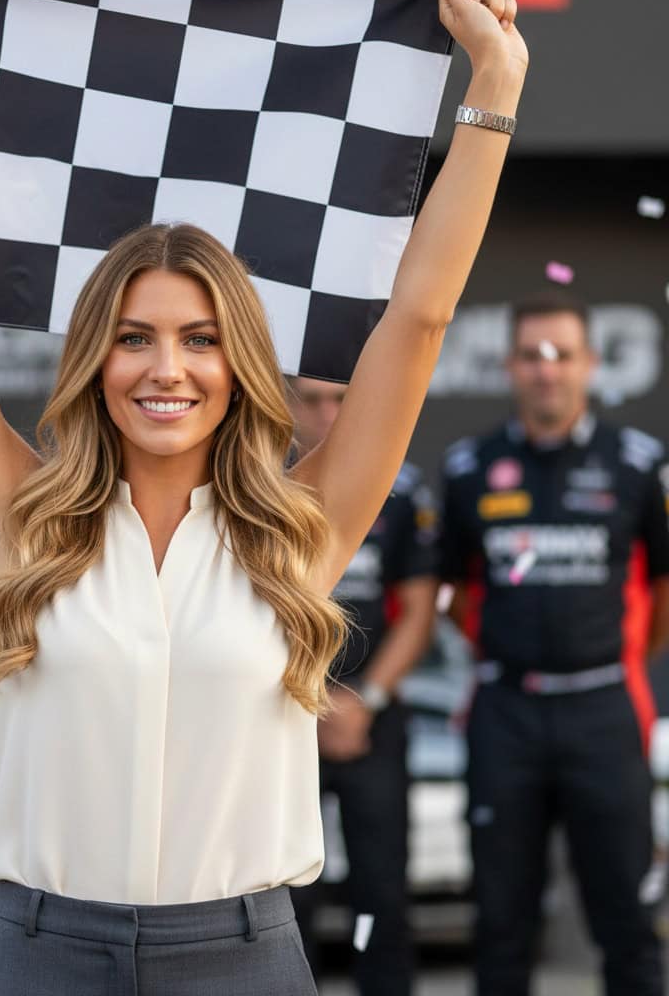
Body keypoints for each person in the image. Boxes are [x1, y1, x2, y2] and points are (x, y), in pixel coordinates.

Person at [0, 0, 526, 990]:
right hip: (33, 953)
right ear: (93, 360)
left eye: (199, 339)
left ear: (238, 363)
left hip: (245, 959)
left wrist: (493, 83)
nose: (166, 368)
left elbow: (415, 319)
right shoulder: (24, 524)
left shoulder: (300, 535)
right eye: (133, 338)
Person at [440, 291, 669, 996]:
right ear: (509, 365)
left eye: (561, 355)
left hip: (605, 709)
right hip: (505, 712)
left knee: (627, 923)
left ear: (590, 365)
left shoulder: (639, 464)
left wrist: (621, 653)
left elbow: (664, 591)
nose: (547, 371)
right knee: (501, 925)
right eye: (532, 355)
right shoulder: (468, 467)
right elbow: (451, 596)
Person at [288, 379, 438, 995]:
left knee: (381, 888)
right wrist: (306, 702)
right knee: (281, 891)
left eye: (343, 398)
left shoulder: (402, 488)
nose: (328, 414)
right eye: (312, 398)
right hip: (282, 716)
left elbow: (421, 609)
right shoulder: (254, 484)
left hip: (371, 716)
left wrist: (365, 700)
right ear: (287, 403)